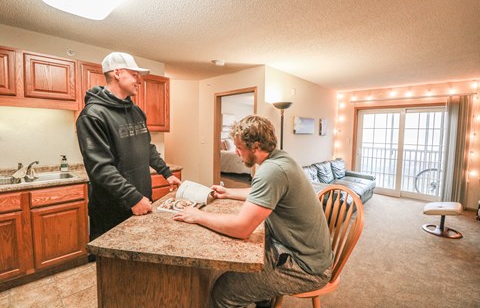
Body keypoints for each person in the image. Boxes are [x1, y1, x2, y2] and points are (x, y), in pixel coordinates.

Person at [173, 115, 333, 307]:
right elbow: (265, 193)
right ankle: (263, 298)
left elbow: (241, 228)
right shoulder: (281, 158)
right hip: (304, 251)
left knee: (224, 291)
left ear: (255, 146)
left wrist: (198, 215)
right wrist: (229, 192)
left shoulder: (272, 172)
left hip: (306, 267)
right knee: (243, 262)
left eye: (239, 148)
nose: (237, 153)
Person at [76, 52, 181, 242]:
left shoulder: (136, 111)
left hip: (141, 198)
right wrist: (132, 197)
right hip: (112, 206)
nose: (139, 80)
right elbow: (101, 168)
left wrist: (167, 173)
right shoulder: (92, 115)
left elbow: (146, 147)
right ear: (117, 73)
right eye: (134, 74)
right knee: (114, 265)